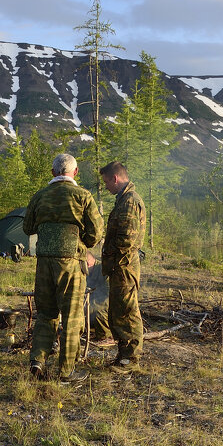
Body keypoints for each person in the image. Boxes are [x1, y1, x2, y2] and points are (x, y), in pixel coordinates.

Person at [22, 153, 103, 382]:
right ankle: (66, 370)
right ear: (75, 172)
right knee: (72, 316)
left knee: (46, 313)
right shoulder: (83, 196)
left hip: (44, 262)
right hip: (71, 263)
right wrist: (82, 243)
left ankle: (37, 360)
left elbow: (28, 227)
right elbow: (96, 232)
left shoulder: (40, 196)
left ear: (52, 173)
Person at [99, 161, 146, 372]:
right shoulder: (123, 199)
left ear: (115, 178)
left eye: (107, 182)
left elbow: (126, 239)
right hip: (119, 265)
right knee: (118, 311)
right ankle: (123, 354)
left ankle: (131, 358)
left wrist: (108, 254)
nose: (106, 186)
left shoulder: (129, 201)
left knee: (127, 311)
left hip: (124, 266)